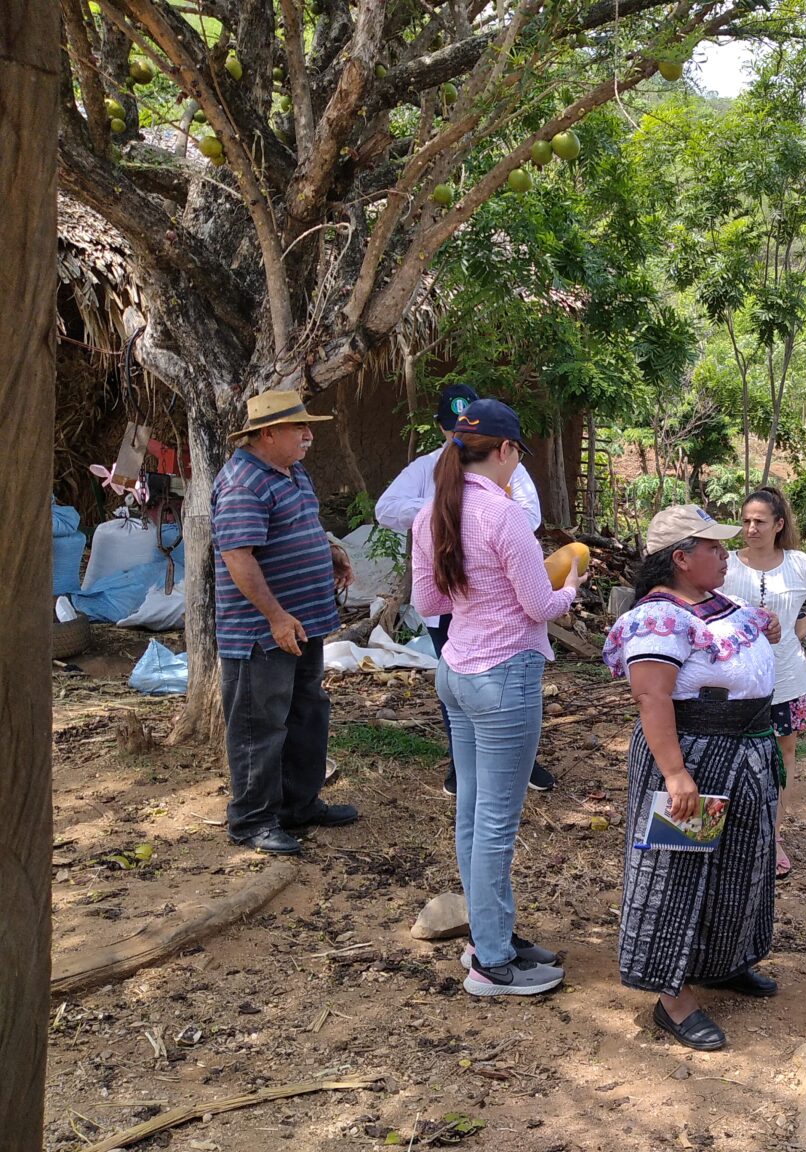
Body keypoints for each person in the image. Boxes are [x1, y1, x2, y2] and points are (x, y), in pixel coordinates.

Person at [410, 399, 585, 997]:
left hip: (456, 670)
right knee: (494, 825)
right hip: (504, 676)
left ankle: (491, 935)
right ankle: (491, 961)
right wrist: (570, 588)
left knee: (472, 814)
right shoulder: (505, 516)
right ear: (506, 450)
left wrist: (475, 596)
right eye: (518, 455)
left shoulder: (432, 512)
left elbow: (428, 603)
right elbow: (539, 605)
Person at [603, 505, 784, 1050]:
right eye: (713, 547)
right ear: (681, 559)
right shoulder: (657, 618)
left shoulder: (714, 604)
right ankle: (672, 995)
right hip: (695, 757)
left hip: (746, 748)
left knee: (743, 861)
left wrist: (767, 628)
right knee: (676, 870)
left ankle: (723, 961)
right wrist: (675, 774)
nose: (726, 554)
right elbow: (651, 696)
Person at [376, 383, 551, 796]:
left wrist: (472, 526)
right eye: (452, 427)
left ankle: (517, 762)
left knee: (495, 695)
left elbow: (529, 515)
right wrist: (444, 513)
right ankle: (464, 765)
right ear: (442, 429)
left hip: (491, 600)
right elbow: (386, 508)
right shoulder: (427, 471)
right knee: (469, 689)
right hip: (454, 605)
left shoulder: (507, 473)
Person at [213, 390, 358, 857]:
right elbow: (238, 558)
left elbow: (296, 527)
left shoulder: (291, 471)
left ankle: (299, 804)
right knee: (260, 724)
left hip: (305, 622)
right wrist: (275, 617)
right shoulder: (243, 483)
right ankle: (252, 820)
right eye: (300, 427)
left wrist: (329, 552)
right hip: (261, 632)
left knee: (305, 712)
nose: (309, 435)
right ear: (268, 433)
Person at [721, 487, 806, 879]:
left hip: (788, 678)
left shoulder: (796, 563)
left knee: (784, 754)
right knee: (728, 753)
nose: (751, 528)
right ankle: (725, 832)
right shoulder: (726, 563)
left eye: (760, 521)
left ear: (779, 524)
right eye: (746, 521)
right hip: (734, 680)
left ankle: (773, 836)